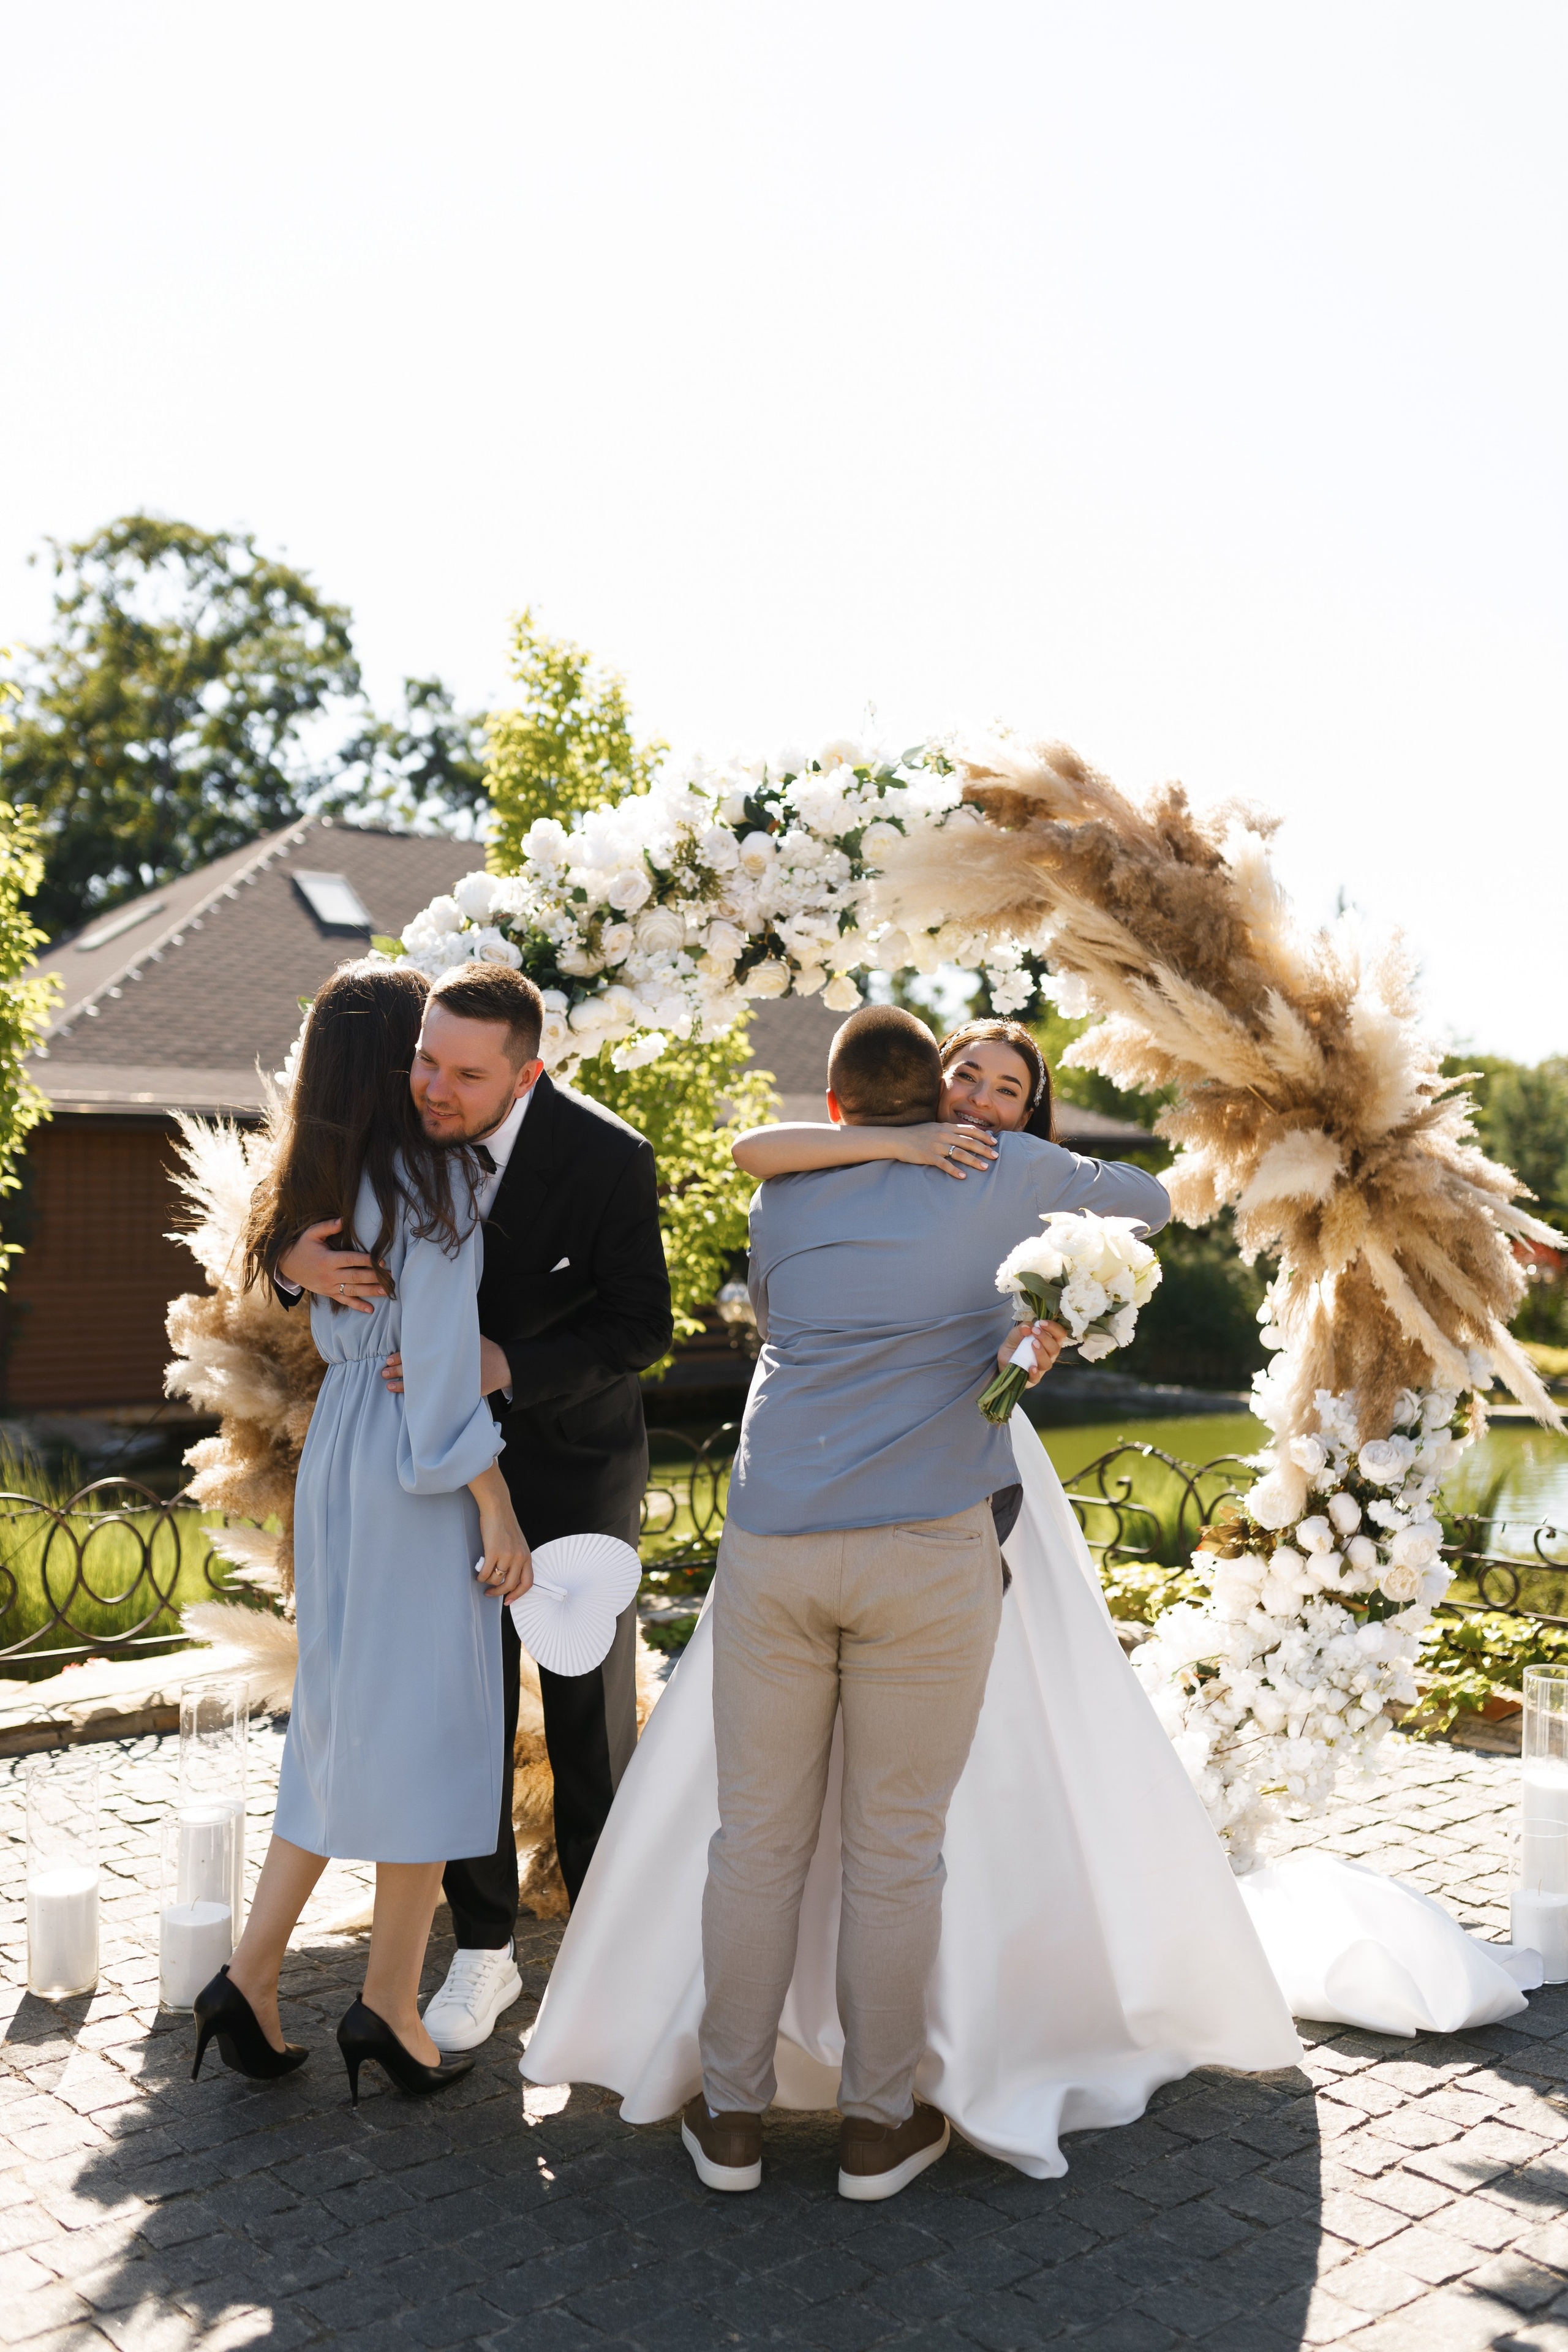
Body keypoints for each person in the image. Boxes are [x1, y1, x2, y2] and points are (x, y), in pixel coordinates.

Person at [520, 1005, 1302, 2188]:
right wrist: (1031, 1197)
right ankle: (879, 2125)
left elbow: (777, 1305)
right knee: (897, 1848)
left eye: (1004, 1084)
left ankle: (731, 2117)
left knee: (756, 1842)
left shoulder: (790, 1194)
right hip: (927, 1555)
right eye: (965, 1077)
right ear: (932, 1089)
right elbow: (1144, 1206)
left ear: (841, 1101)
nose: (982, 1098)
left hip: (779, 1546)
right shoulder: (1016, 1176)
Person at [275, 962, 673, 2056]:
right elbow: (301, 1210)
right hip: (439, 1482)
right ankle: (484, 1949)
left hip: (570, 1471)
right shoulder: (392, 1132)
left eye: (463, 1074)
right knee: (465, 1719)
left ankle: (607, 1955)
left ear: (526, 1073)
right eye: (424, 1060)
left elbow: (644, 1326)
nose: (433, 1089)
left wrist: (507, 1363)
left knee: (588, 1720)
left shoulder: (608, 1158)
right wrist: (284, 1260)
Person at [195, 960, 531, 2103]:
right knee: (436, 1729)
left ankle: (256, 1976)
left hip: (343, 1452)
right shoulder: (431, 1189)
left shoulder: (317, 1180)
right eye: (421, 1049)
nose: (433, 1071)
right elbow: (438, 1385)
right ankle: (384, 2002)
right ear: (394, 1059)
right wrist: (497, 1505)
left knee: (343, 1722)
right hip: (410, 1468)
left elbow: (302, 1289)